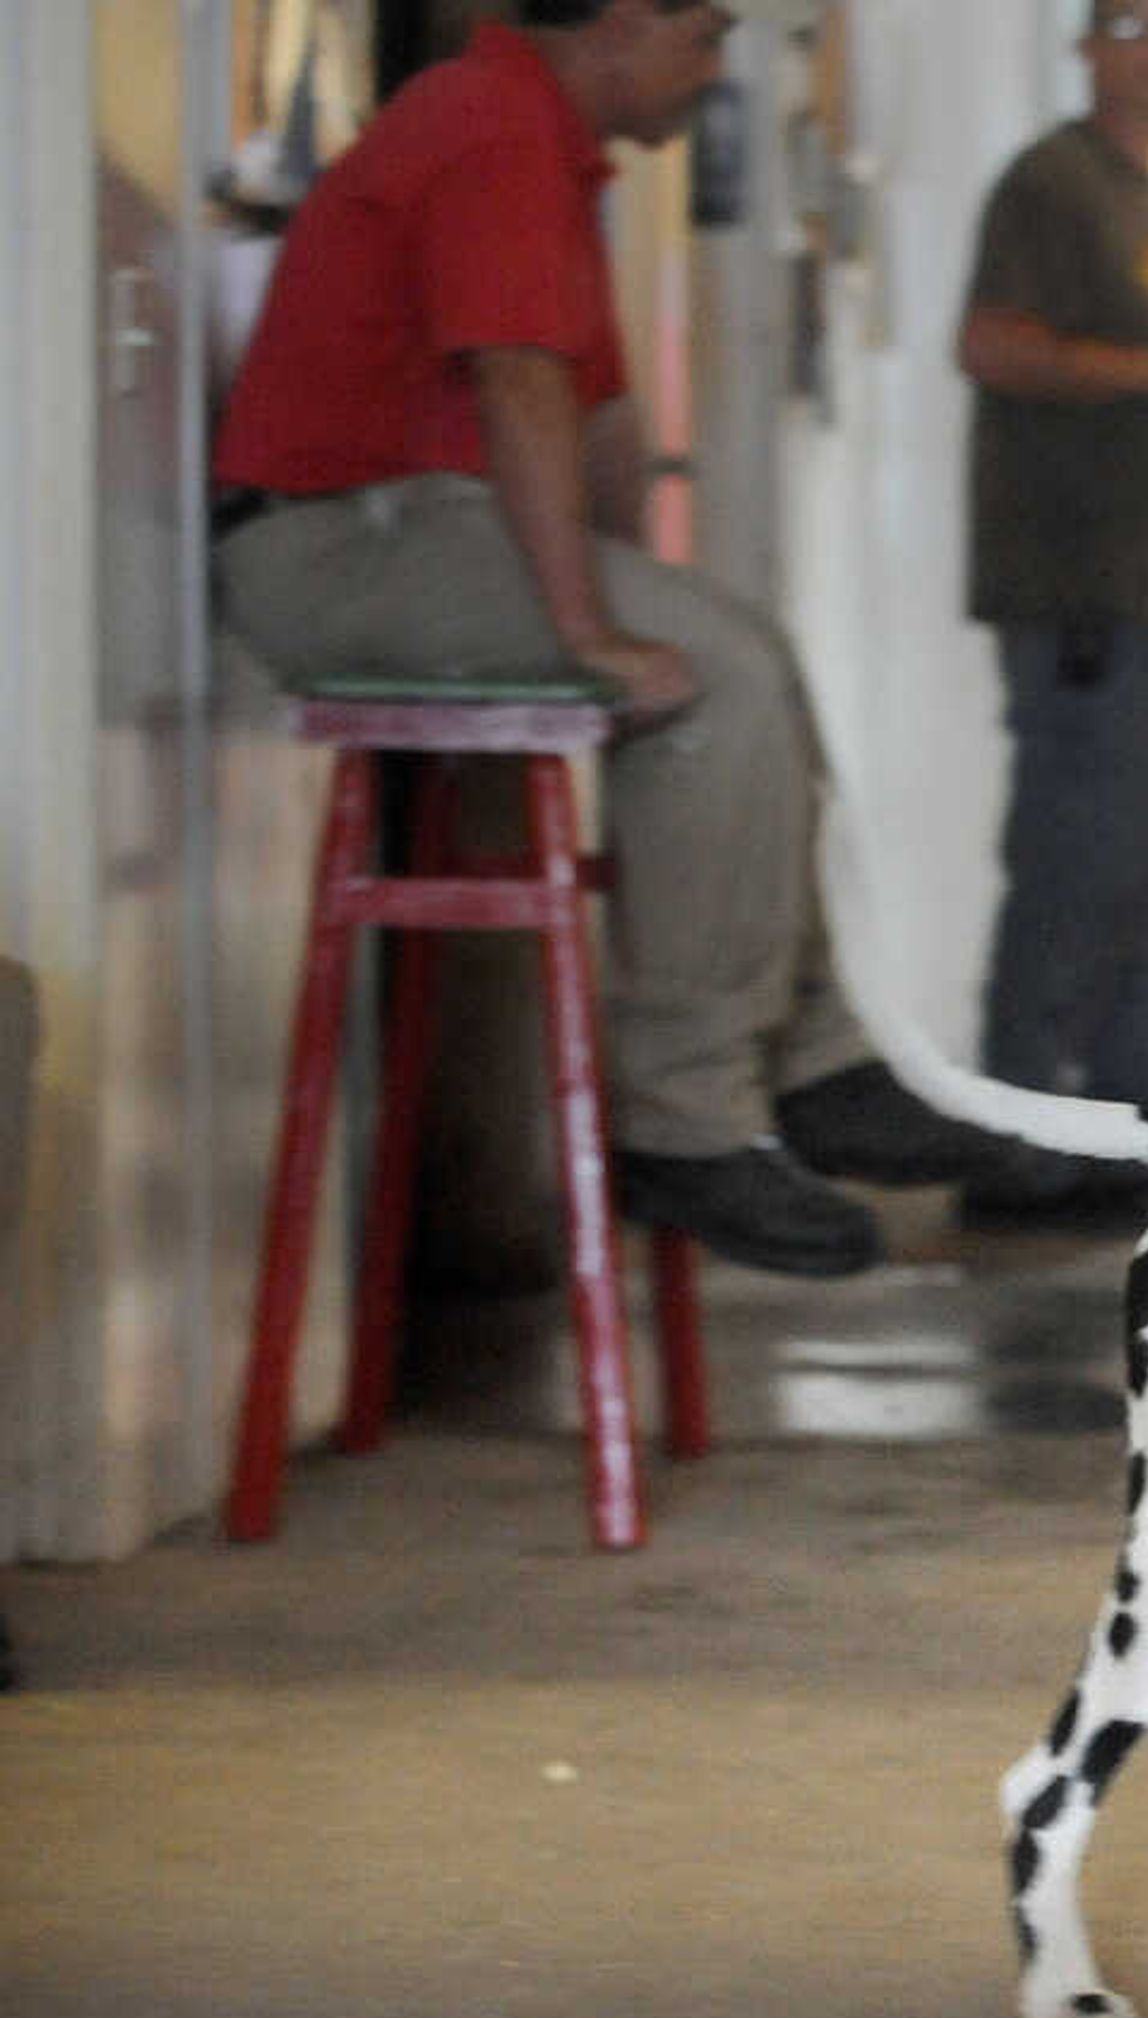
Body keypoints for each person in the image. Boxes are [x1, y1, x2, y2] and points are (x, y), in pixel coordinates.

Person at [207, 0, 1009, 1281]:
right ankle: (687, 1118)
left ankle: (814, 1062)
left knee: (740, 650)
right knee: (723, 673)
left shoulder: (548, 144)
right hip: (333, 547)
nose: (714, 72)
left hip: (422, 531)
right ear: (622, 25)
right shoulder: (488, 125)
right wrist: (591, 627)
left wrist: (645, 604)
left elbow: (600, 418)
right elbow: (521, 382)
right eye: (703, 36)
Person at [950, 0, 1148, 1231]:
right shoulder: (1052, 183)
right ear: (1086, 49)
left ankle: (1126, 1131)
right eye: (1132, 24)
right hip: (1081, 595)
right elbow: (993, 344)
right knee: (1076, 867)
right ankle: (1025, 1143)